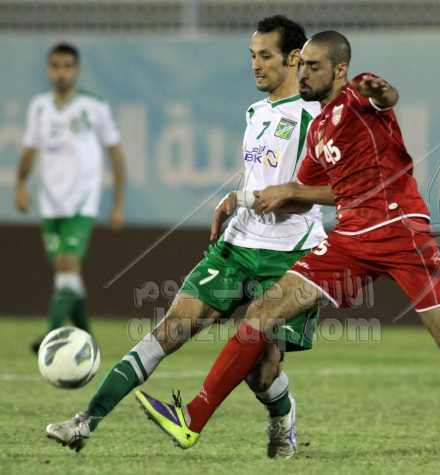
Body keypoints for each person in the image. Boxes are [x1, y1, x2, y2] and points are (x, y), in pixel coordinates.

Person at [135, 30, 440, 450]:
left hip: (401, 232)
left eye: (314, 66)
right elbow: (305, 191)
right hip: (350, 239)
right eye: (302, 65)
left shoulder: (359, 96)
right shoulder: (318, 130)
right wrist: (248, 198)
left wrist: (380, 92)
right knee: (262, 311)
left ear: (340, 70)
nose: (303, 73)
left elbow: (387, 96)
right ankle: (192, 419)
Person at [46, 16, 330, 459]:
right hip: (237, 247)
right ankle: (85, 421)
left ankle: (282, 416)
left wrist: (249, 198)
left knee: (261, 372)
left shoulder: (316, 118)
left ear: (294, 58)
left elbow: (308, 195)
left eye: (265, 56)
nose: (255, 65)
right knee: (170, 329)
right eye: (252, 56)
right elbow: (260, 179)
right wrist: (237, 201)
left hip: (292, 255)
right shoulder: (256, 113)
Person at [14, 43, 126, 353]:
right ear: (47, 70)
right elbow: (29, 151)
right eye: (55, 66)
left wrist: (118, 203)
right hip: (50, 201)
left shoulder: (93, 106)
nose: (61, 72)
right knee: (67, 274)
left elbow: (116, 154)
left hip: (81, 199)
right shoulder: (39, 107)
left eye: (67, 66)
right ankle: (89, 340)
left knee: (67, 263)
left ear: (77, 70)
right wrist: (20, 184)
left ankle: (49, 337)